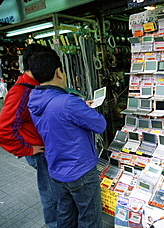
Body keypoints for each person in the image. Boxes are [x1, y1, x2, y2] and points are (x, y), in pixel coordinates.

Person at [27, 51, 107, 228]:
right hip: (81, 171)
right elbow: (100, 125)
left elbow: (58, 120)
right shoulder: (68, 102)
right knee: (89, 220)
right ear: (58, 72)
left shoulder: (34, 100)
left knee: (65, 218)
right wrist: (83, 109)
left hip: (55, 169)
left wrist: (80, 109)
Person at [0, 43, 59, 228]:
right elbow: (1, 131)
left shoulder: (37, 84)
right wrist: (27, 148)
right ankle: (54, 224)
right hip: (40, 152)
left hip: (49, 148)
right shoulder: (21, 91)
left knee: (56, 191)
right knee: (50, 194)